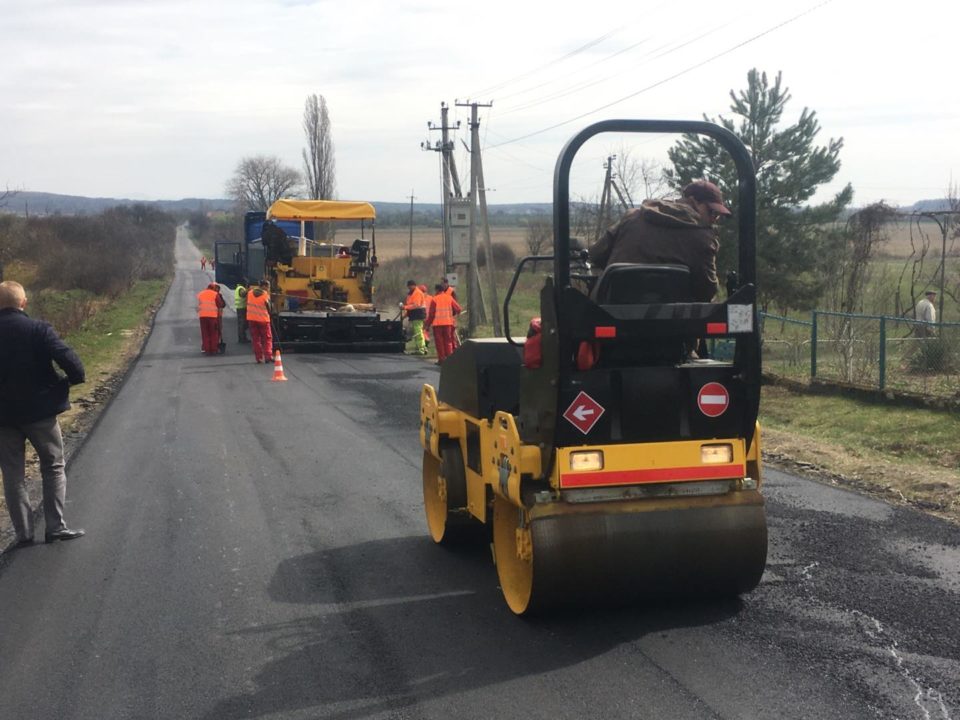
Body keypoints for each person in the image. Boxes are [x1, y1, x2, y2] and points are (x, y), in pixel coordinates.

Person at [0, 281, 86, 546]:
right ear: (23, 302)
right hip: (40, 411)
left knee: (12, 474)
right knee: (53, 465)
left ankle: (24, 534)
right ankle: (55, 527)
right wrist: (72, 379)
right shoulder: (38, 329)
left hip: (3, 417)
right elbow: (67, 358)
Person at [588, 180, 731, 303]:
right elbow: (706, 292)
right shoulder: (703, 239)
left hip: (611, 312)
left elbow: (595, 255)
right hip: (675, 320)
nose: (714, 219)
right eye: (712, 212)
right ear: (693, 201)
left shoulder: (632, 218)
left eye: (718, 216)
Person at [426, 283, 462, 363]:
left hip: (437, 324)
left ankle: (442, 359)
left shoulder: (434, 299)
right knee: (448, 341)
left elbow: (431, 314)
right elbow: (458, 309)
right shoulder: (449, 298)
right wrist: (453, 316)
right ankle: (449, 359)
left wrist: (427, 325)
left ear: (437, 290)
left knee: (439, 342)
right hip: (448, 324)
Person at [246, 280, 274, 363]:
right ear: (264, 286)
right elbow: (269, 308)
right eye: (268, 287)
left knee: (256, 339)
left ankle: (259, 358)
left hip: (252, 319)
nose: (268, 288)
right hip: (263, 320)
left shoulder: (250, 293)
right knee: (267, 338)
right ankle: (268, 356)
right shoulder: (265, 295)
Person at [196, 282, 226, 355]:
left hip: (202, 316)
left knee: (205, 333)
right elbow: (220, 304)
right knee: (213, 333)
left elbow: (199, 305)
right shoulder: (215, 294)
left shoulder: (200, 294)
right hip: (213, 316)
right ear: (214, 288)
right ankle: (213, 349)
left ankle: (207, 349)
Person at [402, 280, 427, 356]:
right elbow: (410, 306)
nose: (409, 288)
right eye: (408, 286)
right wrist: (404, 315)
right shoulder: (411, 294)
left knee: (418, 332)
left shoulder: (417, 293)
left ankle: (421, 349)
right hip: (414, 315)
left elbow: (416, 305)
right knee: (417, 332)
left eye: (410, 286)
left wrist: (405, 307)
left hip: (418, 315)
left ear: (413, 285)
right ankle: (420, 348)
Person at [235, 279, 249, 343]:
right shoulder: (241, 288)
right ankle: (242, 338)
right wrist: (248, 290)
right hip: (242, 308)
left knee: (242, 324)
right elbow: (243, 294)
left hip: (240, 308)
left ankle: (243, 337)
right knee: (242, 324)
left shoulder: (238, 288)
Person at [418, 284, 432, 348]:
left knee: (422, 330)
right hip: (430, 317)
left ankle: (426, 340)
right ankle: (426, 341)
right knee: (426, 330)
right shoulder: (431, 298)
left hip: (422, 316)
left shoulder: (419, 298)